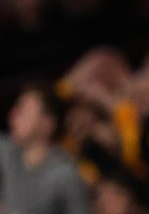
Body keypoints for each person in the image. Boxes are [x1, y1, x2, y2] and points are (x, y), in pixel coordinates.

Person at [0, 84, 90, 214]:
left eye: (23, 110)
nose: (13, 115)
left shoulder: (65, 176)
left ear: (47, 124)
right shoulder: (8, 152)